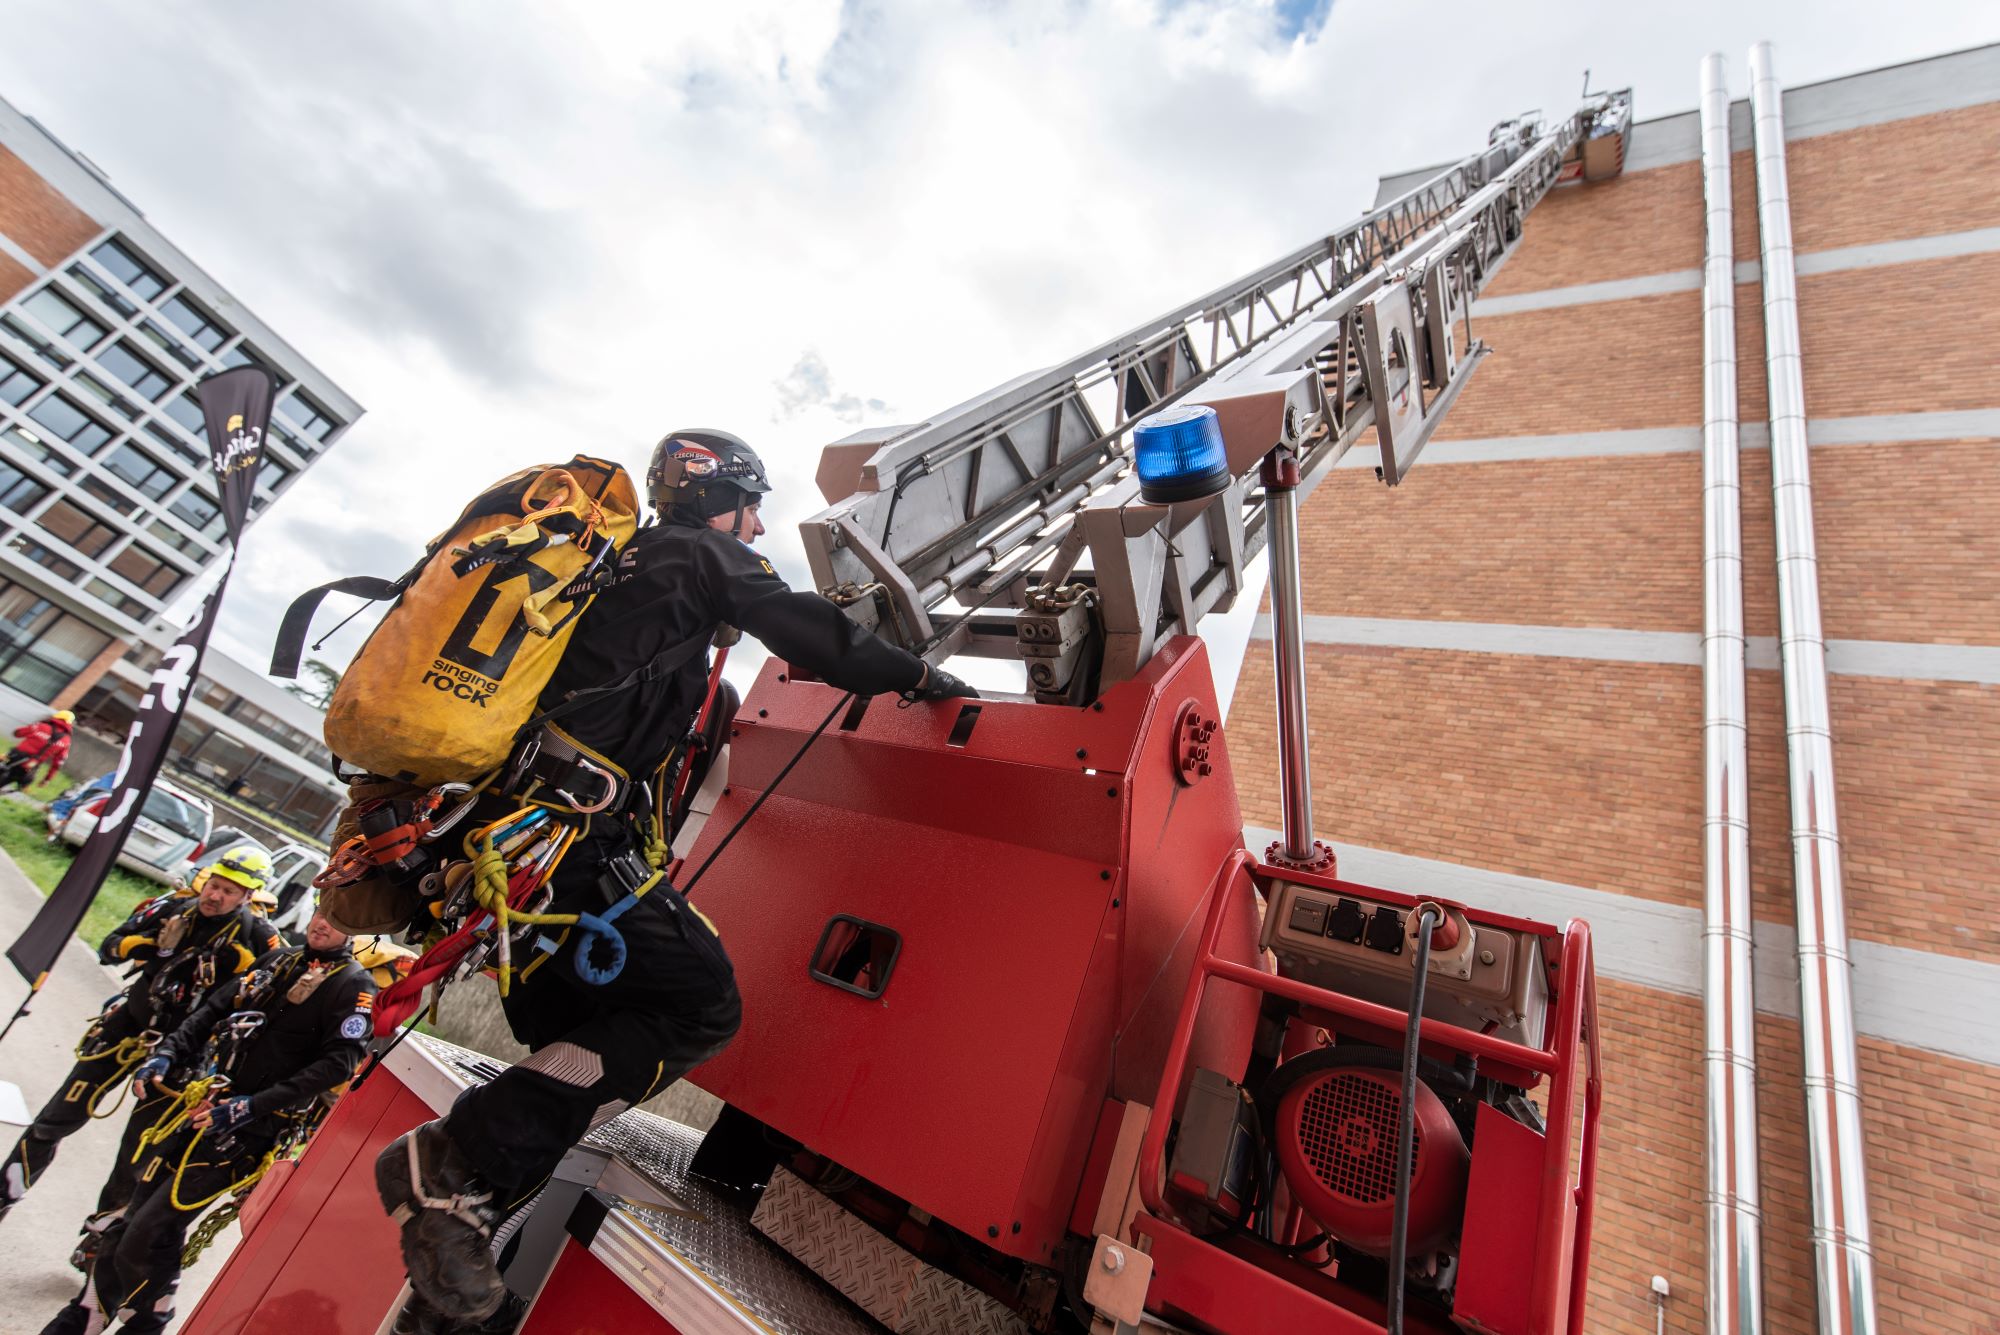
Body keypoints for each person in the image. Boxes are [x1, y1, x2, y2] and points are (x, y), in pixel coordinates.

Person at [376, 429, 978, 1331]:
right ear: (717, 498)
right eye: (753, 505)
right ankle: (450, 1158)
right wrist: (919, 673)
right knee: (699, 1004)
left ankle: (450, 1268)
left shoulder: (625, 569)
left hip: (514, 847)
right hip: (567, 844)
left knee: (572, 1063)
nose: (759, 525)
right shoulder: (698, 553)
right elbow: (815, 633)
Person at [39, 910, 376, 1335]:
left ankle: (145, 1322)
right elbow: (213, 1009)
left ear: (359, 930)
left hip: (248, 1133)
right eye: (322, 911)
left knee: (150, 1229)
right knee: (131, 1224)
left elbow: (337, 1065)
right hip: (202, 1110)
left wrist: (250, 1107)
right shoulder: (279, 960)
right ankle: (88, 1315)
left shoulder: (354, 987)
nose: (323, 922)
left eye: (338, 919)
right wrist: (168, 1053)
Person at [0, 848, 278, 1228]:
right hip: (129, 1028)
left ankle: (98, 1241)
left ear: (248, 896)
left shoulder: (260, 939)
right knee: (55, 1119)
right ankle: (5, 1193)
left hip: (181, 1056)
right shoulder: (175, 907)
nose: (215, 896)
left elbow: (266, 1011)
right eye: (214, 885)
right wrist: (148, 944)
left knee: (136, 1158)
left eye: (229, 891)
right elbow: (109, 947)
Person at [3, 709, 74, 793]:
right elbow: (58, 763)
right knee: (13, 780)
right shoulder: (66, 741)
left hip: (14, 756)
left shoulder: (40, 726)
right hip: (29, 767)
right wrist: (47, 779)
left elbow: (17, 733)